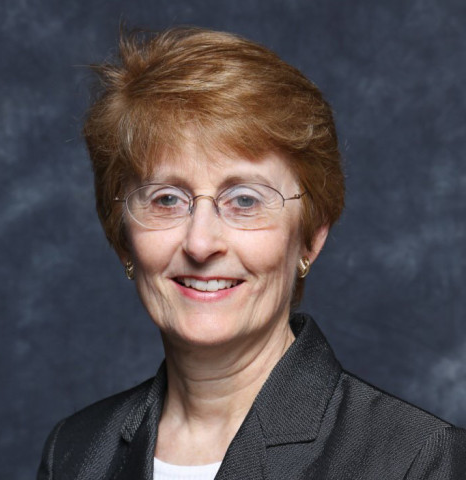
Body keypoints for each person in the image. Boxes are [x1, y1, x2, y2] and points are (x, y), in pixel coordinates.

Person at [37, 26, 466, 479]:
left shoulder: (417, 460)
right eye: (167, 199)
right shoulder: (75, 451)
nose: (201, 243)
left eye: (244, 200)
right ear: (123, 237)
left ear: (310, 237)